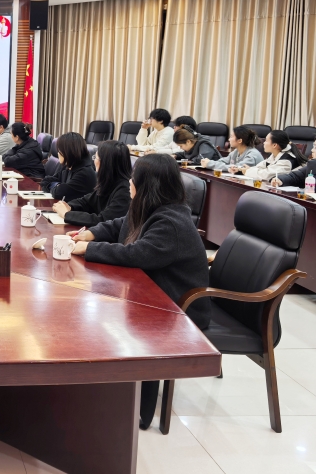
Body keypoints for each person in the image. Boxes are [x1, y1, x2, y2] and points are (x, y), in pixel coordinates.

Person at [69, 153, 210, 430]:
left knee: (111, 319)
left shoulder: (171, 222)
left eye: (135, 178)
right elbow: (122, 224)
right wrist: (92, 233)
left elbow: (137, 254)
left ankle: (139, 409)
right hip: (156, 294)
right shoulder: (152, 208)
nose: (130, 182)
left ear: (148, 185)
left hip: (180, 307)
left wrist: (91, 249)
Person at [52, 140, 132, 226]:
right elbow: (87, 202)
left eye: (95, 158)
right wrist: (69, 206)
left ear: (106, 162)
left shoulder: (125, 190)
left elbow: (103, 220)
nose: (94, 161)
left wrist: (67, 214)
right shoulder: (109, 181)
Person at [40, 132, 96, 200]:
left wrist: (56, 186)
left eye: (59, 150)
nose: (58, 153)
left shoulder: (84, 173)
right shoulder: (68, 165)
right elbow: (46, 181)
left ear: (67, 151)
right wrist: (57, 185)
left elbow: (59, 193)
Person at [243, 130, 308, 181]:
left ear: (274, 145)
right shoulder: (274, 155)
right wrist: (248, 169)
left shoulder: (286, 161)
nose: (264, 143)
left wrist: (248, 171)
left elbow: (267, 175)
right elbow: (259, 167)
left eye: (266, 141)